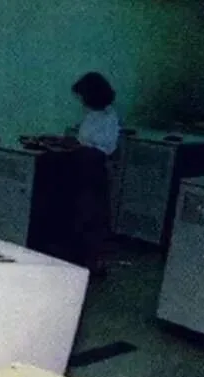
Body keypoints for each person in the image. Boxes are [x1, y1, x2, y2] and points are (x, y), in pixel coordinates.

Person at [69, 71, 120, 277]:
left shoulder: (109, 117)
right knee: (81, 214)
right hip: (83, 165)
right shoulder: (92, 115)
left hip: (94, 168)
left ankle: (92, 262)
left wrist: (80, 146)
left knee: (92, 215)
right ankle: (80, 258)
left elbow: (104, 146)